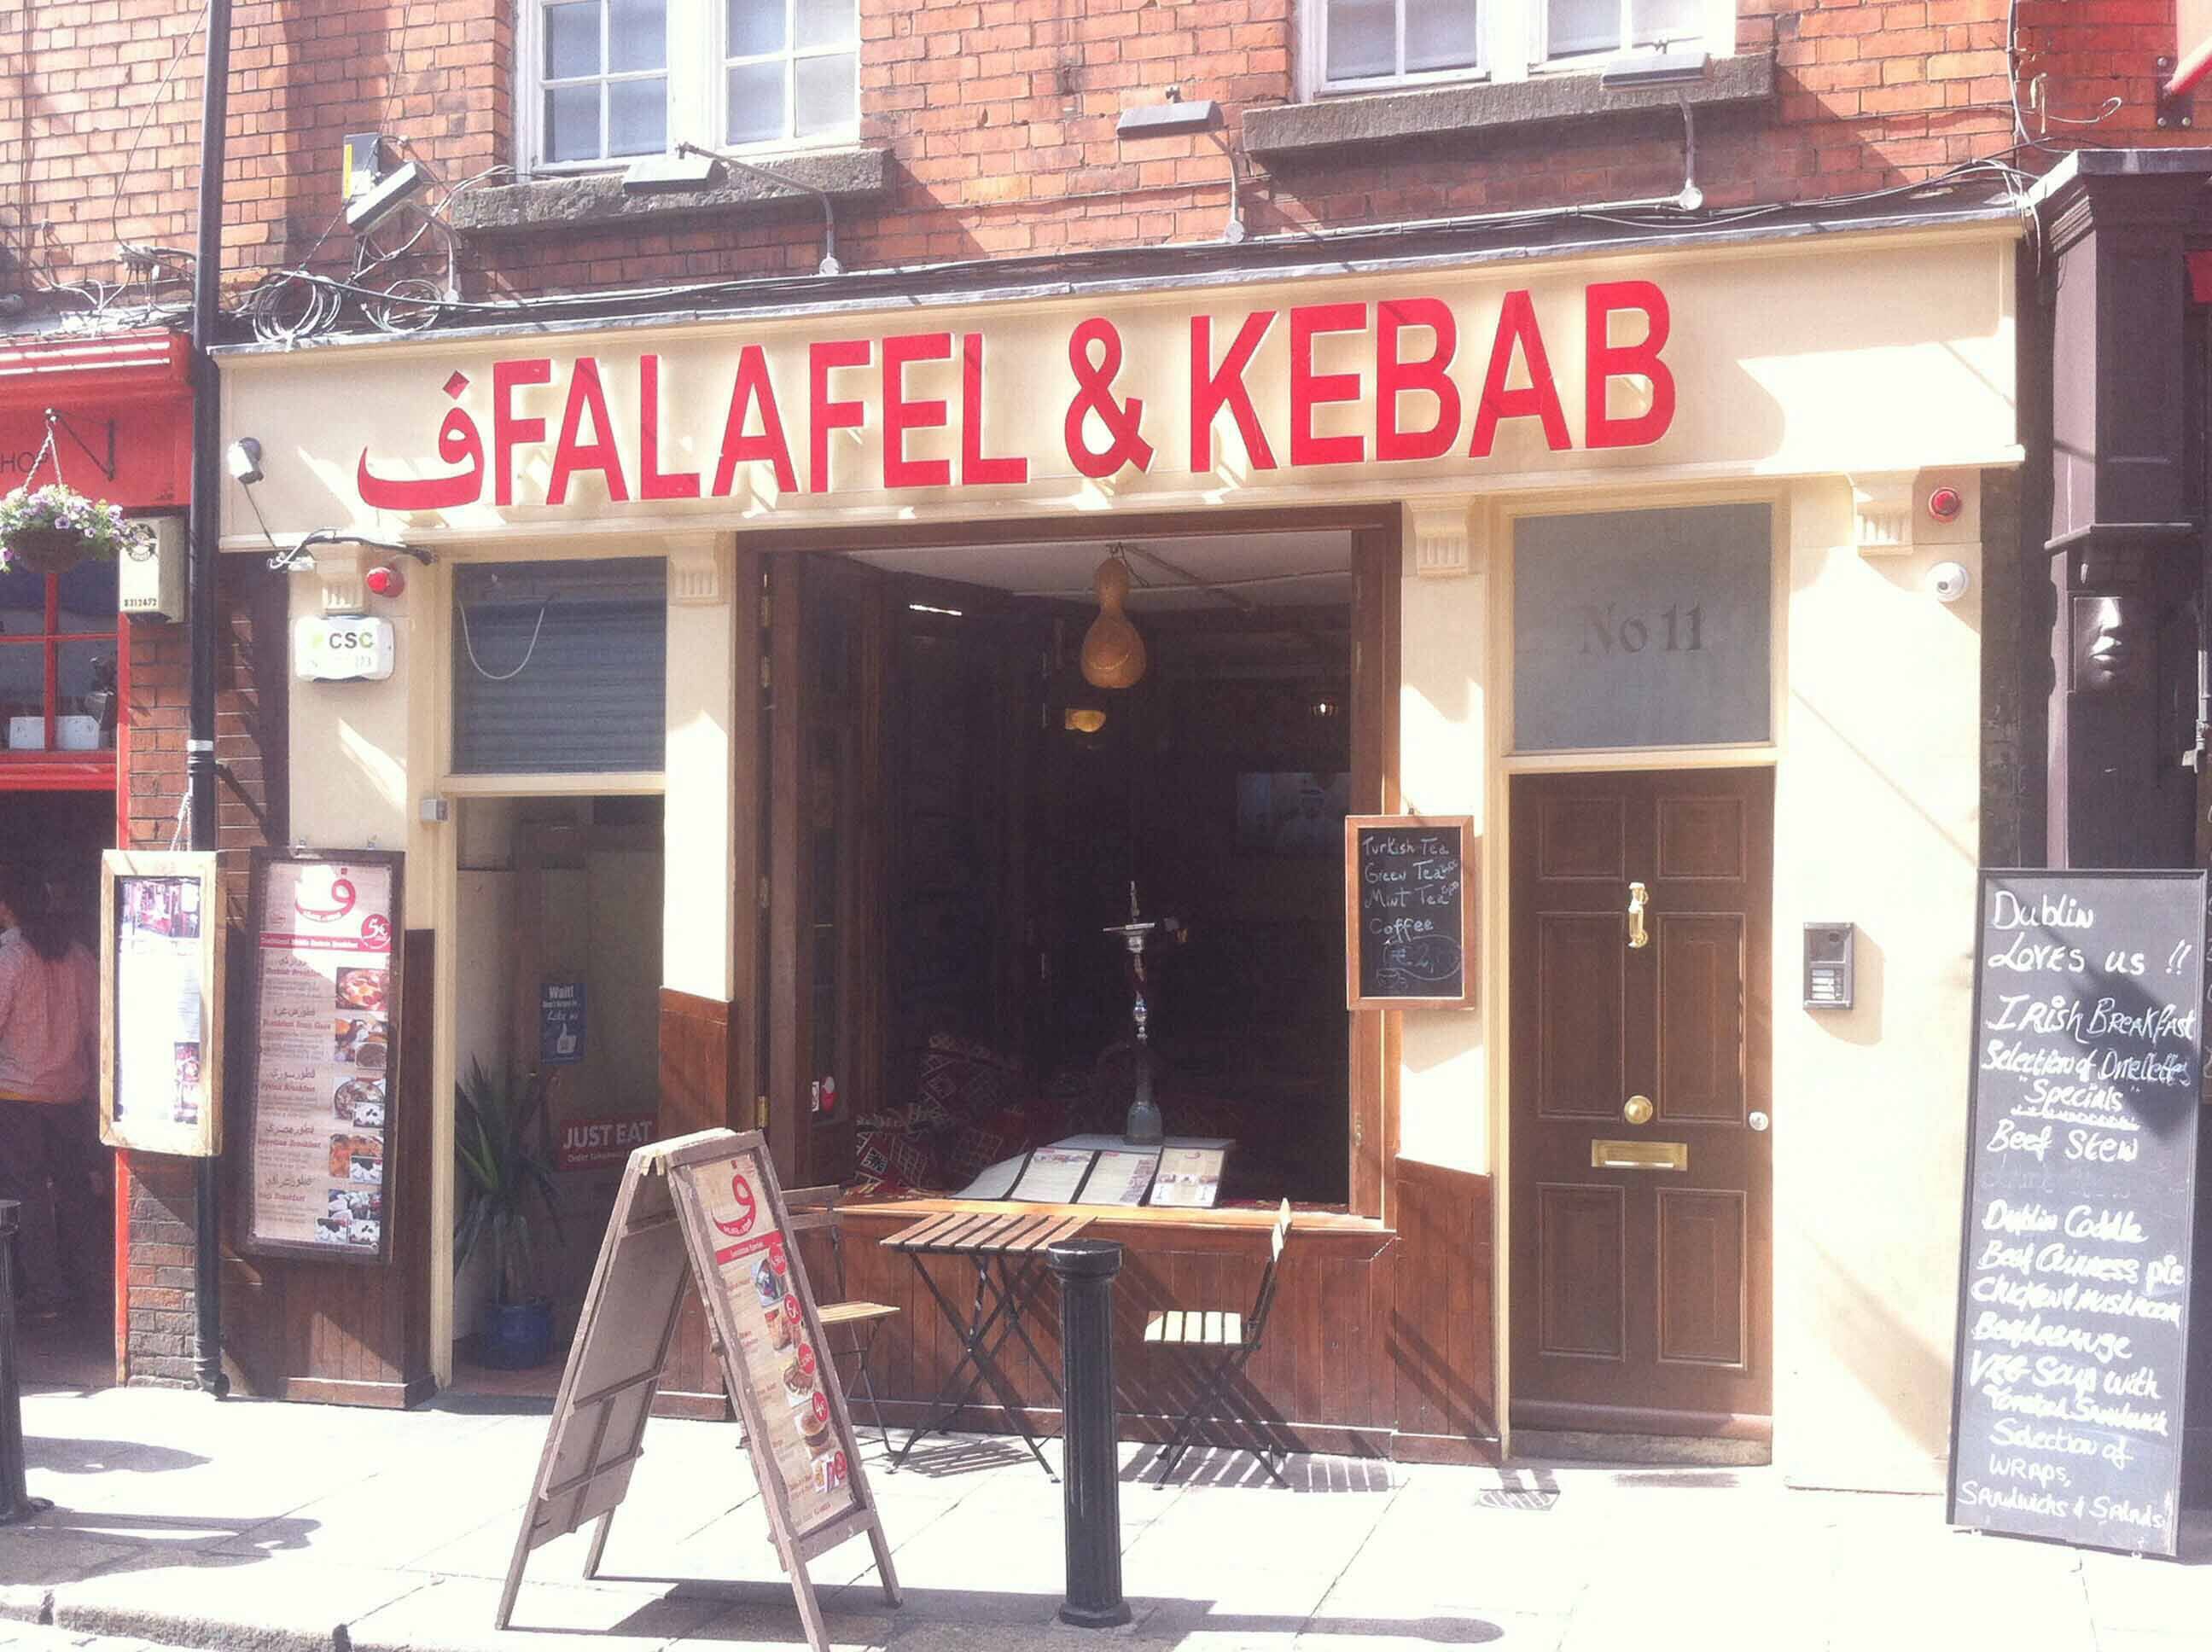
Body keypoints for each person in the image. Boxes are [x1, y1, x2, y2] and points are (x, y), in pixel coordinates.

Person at [0, 863, 104, 1321]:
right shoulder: (80, 956)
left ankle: (46, 1296)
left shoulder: (10, 958)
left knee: (29, 1196)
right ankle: (92, 1289)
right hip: (70, 1095)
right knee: (75, 1191)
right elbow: (97, 1028)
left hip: (18, 1097)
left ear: (8, 908)